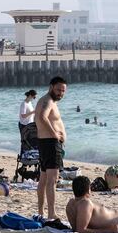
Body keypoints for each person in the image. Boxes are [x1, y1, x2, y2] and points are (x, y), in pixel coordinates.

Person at [35, 76, 67, 219]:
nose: (61, 93)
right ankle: (51, 213)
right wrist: (55, 135)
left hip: (44, 143)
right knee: (52, 180)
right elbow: (42, 116)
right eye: (58, 89)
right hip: (50, 144)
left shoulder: (46, 100)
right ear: (51, 87)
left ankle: (41, 212)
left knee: (43, 179)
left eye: (63, 91)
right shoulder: (47, 101)